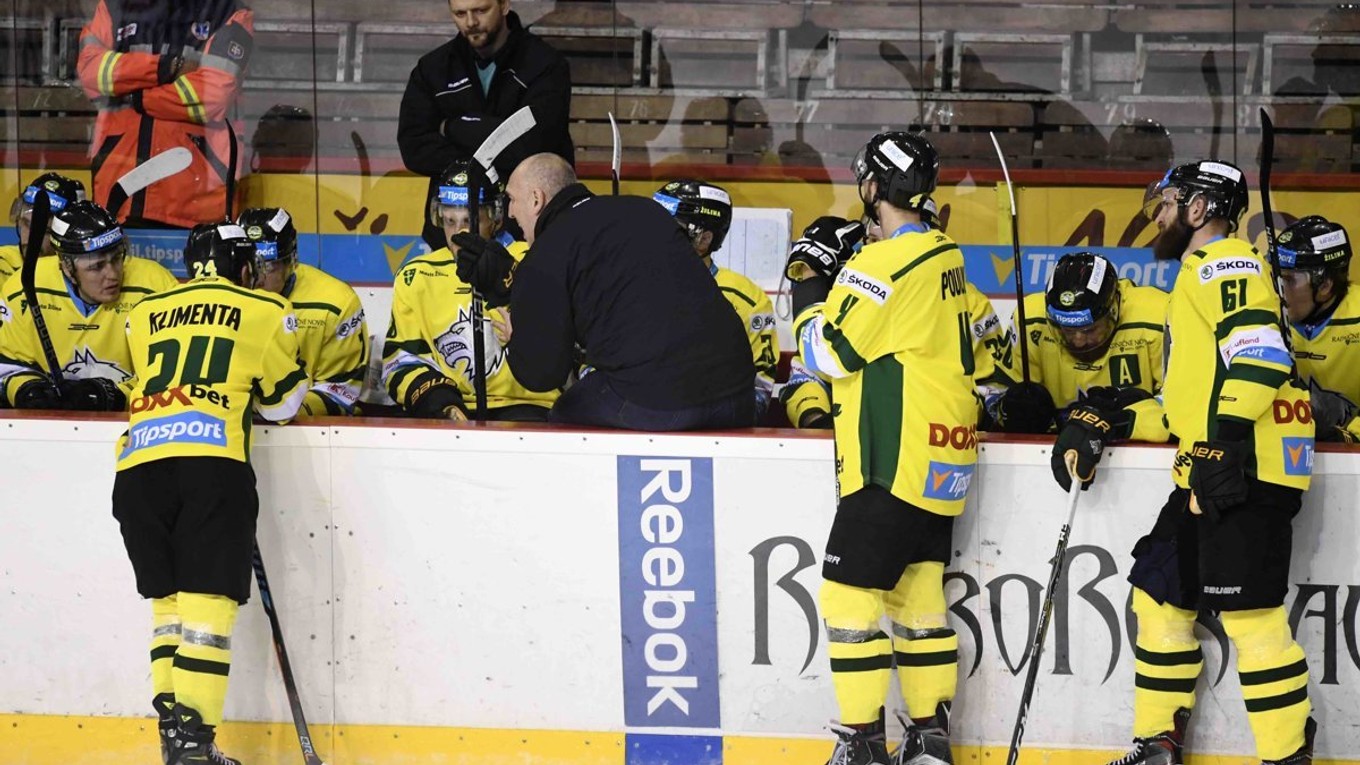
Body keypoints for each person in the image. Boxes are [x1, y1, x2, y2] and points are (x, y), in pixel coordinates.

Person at [1053, 160, 1316, 765]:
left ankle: (1287, 757)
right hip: (1208, 469)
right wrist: (1115, 418)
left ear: (1201, 211)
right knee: (1159, 596)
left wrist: (1223, 444)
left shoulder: (1225, 262)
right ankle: (1157, 746)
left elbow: (1262, 360)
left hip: (1247, 469)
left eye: (1171, 203)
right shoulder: (1199, 273)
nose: (1161, 214)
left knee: (1252, 621)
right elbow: (1184, 406)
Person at [788, 131, 975, 765]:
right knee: (919, 599)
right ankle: (928, 742)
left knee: (847, 597)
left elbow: (827, 353)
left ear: (873, 187)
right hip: (942, 460)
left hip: (890, 461)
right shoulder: (946, 253)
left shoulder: (879, 266)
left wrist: (813, 284)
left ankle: (863, 744)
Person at [113, 221, 308, 765]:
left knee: (169, 609)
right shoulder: (263, 310)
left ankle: (176, 742)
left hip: (138, 468)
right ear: (243, 267)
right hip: (210, 467)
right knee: (206, 614)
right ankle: (194, 747)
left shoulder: (145, 313)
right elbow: (283, 404)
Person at [452, 153, 755, 430]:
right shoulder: (644, 210)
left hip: (664, 405)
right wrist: (517, 286)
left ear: (536, 199)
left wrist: (519, 329)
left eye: (512, 199)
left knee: (564, 415)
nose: (510, 212)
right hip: (739, 397)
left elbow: (539, 375)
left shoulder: (547, 252)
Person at [781, 211, 1007, 432]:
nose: (876, 250)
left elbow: (991, 391)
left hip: (929, 444)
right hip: (858, 450)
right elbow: (808, 373)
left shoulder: (971, 303)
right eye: (870, 241)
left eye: (885, 240)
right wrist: (816, 419)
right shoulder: (850, 295)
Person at [383, 159, 556, 421]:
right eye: (450, 221)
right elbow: (401, 360)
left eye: (470, 220)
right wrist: (441, 403)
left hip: (533, 407)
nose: (458, 234)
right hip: (455, 407)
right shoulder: (416, 276)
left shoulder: (535, 258)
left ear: (496, 218)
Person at [398, 0, 573, 249]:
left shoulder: (545, 65)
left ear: (504, 5)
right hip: (448, 237)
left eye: (481, 10)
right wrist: (496, 143)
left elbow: (534, 149)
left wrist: (453, 128)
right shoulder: (432, 69)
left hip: (530, 233)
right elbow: (414, 149)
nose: (470, 22)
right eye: (460, 13)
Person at [77, 0, 254, 228]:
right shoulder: (113, 5)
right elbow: (91, 71)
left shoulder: (230, 11)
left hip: (196, 204)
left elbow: (213, 95)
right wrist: (167, 67)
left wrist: (135, 96)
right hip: (118, 193)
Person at [0, 200, 178, 410]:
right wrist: (26, 389)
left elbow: (174, 372)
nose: (112, 275)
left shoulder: (156, 286)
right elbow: (9, 363)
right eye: (97, 267)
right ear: (66, 267)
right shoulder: (25, 287)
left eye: (116, 259)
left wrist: (115, 395)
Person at [988, 252, 1168, 434]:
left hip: (1138, 451)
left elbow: (1183, 405)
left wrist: (1125, 419)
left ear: (1114, 310)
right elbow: (994, 396)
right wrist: (1009, 409)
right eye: (1067, 330)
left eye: (1089, 330)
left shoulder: (1157, 316)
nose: (1079, 341)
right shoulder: (1029, 319)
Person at [653, 179, 779, 421]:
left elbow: (759, 392)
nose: (657, 236)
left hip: (715, 431)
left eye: (671, 228)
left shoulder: (747, 299)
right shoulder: (630, 282)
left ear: (704, 239)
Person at [238, 207, 368, 417]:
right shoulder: (221, 301)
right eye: (250, 266)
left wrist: (286, 414)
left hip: (304, 430)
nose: (257, 278)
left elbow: (340, 390)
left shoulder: (334, 303)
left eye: (267, 267)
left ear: (292, 261)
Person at [1273, 215, 1360, 441]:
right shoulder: (1265, 313)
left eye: (1289, 280)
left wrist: (1350, 437)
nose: (1278, 291)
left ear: (1324, 286)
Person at [2, 173, 87, 282]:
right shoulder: (3, 263)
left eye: (45, 230)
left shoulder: (82, 276)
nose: (30, 238)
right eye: (26, 223)